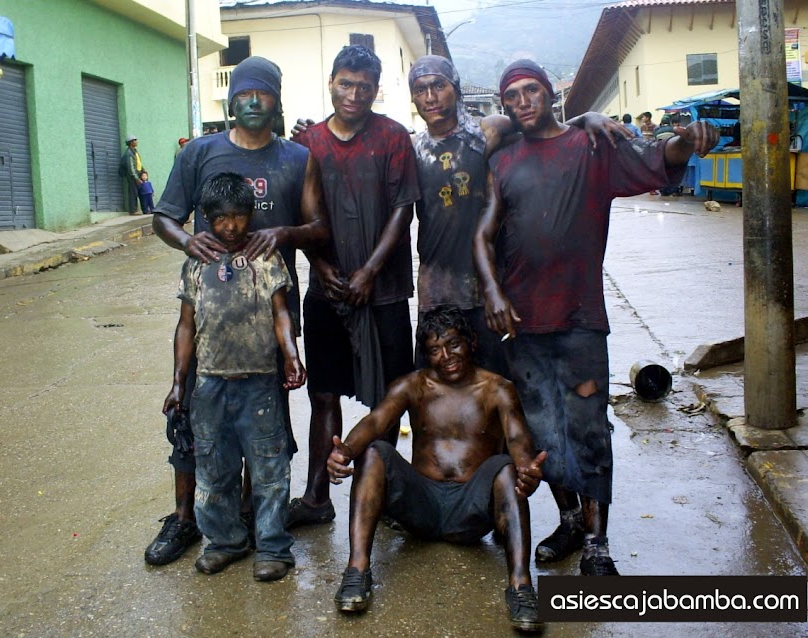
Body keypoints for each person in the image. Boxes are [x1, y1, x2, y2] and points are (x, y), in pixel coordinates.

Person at [473, 59, 718, 577]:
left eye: (531, 90)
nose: (522, 101)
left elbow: (655, 157)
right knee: (543, 431)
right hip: (521, 322)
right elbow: (483, 235)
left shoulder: (590, 147)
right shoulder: (503, 161)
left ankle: (598, 545)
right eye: (511, 95)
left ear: (548, 95)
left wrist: (688, 140)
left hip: (581, 317)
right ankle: (568, 522)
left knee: (588, 431)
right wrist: (493, 291)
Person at [145, 55, 329, 567]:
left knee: (263, 431)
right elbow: (164, 215)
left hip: (270, 315)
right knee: (195, 422)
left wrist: (283, 233)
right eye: (244, 93)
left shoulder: (296, 158)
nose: (253, 100)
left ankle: (252, 526)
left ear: (276, 101)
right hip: (209, 313)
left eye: (263, 93)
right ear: (231, 101)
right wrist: (186, 241)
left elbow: (318, 227)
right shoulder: (201, 151)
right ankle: (186, 520)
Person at [407, 55, 631, 375]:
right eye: (420, 89)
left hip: (489, 285)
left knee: (498, 384)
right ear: (413, 96)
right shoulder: (412, 149)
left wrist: (588, 118)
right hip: (437, 289)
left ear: (455, 89)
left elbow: (541, 124)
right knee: (434, 386)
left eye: (439, 86)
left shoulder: (489, 130)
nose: (430, 97)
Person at [327, 307, 547, 632]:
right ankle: (357, 571)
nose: (446, 356)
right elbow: (377, 420)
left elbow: (517, 438)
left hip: (471, 511)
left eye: (453, 344)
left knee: (504, 468)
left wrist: (527, 469)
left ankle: (520, 587)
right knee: (374, 452)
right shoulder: (413, 385)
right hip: (421, 508)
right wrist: (345, 450)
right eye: (434, 350)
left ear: (471, 343)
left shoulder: (497, 389)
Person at [287, 45, 420, 529]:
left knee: (389, 399)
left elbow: (402, 210)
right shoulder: (307, 144)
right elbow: (299, 217)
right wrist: (320, 266)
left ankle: (385, 498)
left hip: (382, 294)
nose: (355, 94)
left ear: (375, 89)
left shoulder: (392, 137)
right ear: (331, 82)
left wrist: (369, 272)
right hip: (327, 294)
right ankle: (316, 499)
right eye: (347, 83)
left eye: (365, 86)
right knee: (324, 396)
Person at [163, 171, 304, 580]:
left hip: (259, 382)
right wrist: (178, 383)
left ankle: (274, 547)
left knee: (268, 469)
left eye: (239, 216)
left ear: (250, 215)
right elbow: (186, 325)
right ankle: (225, 541)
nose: (230, 226)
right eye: (220, 218)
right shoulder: (196, 264)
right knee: (214, 469)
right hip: (209, 384)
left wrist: (291, 356)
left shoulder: (266, 259)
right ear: (206, 218)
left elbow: (281, 314)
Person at [121, 135, 145, 214]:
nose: (136, 142)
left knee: (139, 192)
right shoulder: (129, 153)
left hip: (138, 173)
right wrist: (136, 178)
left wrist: (143, 170)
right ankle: (133, 210)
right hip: (133, 176)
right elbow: (130, 167)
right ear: (131, 142)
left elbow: (138, 162)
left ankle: (140, 208)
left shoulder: (135, 151)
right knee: (133, 193)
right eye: (135, 140)